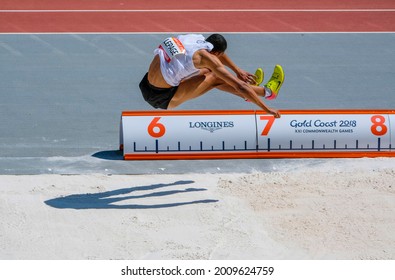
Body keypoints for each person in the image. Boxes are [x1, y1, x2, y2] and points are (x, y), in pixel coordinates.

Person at [139, 34, 283, 118]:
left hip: (146, 85)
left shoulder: (194, 38)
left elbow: (219, 55)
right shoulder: (204, 57)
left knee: (207, 72)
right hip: (162, 98)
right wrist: (266, 109)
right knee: (215, 77)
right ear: (215, 54)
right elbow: (240, 85)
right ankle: (268, 92)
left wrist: (237, 70)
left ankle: (248, 95)